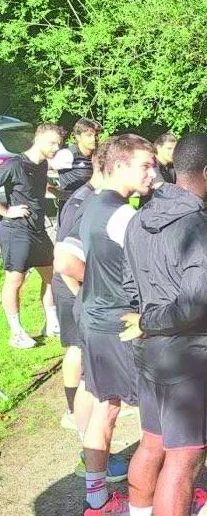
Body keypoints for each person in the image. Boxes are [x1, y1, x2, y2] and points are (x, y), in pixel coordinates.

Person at [120, 133, 207, 516]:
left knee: (152, 444)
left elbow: (130, 287)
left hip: (152, 356)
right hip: (189, 362)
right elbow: (195, 304)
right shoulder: (206, 228)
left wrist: (145, 322)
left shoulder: (139, 218)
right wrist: (151, 321)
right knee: (183, 461)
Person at [77, 134, 156, 516]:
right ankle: (164, 494)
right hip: (121, 325)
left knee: (104, 406)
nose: (152, 173)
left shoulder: (91, 205)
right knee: (155, 413)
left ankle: (96, 500)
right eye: (145, 165)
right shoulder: (124, 215)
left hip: (94, 319)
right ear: (121, 165)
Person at [52, 145, 103, 432]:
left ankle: (92, 406)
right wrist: (85, 294)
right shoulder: (82, 200)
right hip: (70, 282)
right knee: (77, 347)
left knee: (86, 348)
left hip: (79, 281)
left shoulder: (94, 197)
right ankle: (72, 411)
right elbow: (63, 257)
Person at [0, 123, 63, 348]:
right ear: (38, 139)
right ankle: (16, 333)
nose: (56, 148)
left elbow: (34, 189)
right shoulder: (15, 164)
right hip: (16, 230)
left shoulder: (43, 164)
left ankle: (52, 324)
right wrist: (7, 211)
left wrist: (55, 192)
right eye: (52, 143)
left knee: (52, 276)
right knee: (15, 280)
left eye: (59, 144)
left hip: (38, 229)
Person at [51, 118, 102, 199]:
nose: (93, 139)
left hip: (91, 201)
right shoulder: (68, 154)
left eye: (96, 135)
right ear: (78, 137)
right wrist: (52, 190)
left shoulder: (98, 155)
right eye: (89, 135)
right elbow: (40, 167)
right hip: (72, 203)